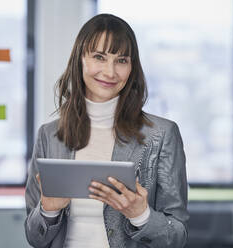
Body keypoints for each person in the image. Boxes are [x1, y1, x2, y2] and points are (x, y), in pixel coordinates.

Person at [24, 13, 189, 248]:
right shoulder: (49, 135)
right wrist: (49, 211)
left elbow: (177, 237)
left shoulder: (162, 135)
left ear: (132, 67)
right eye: (99, 57)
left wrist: (140, 215)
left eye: (121, 60)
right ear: (80, 59)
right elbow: (34, 238)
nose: (110, 72)